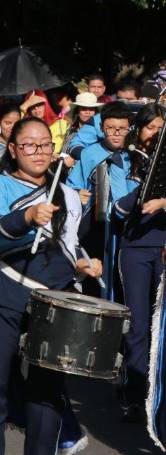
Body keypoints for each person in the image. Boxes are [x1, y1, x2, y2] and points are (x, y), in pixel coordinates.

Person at [0, 117, 102, 455]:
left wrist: (86, 264)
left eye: (44, 146)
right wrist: (26, 218)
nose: (38, 152)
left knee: (47, 392)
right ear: (13, 149)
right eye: (29, 145)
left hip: (50, 302)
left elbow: (70, 246)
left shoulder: (68, 196)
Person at [109, 103, 166, 423]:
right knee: (139, 324)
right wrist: (144, 183)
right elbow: (117, 209)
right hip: (134, 250)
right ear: (139, 130)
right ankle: (135, 391)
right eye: (150, 127)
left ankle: (158, 395)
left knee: (162, 325)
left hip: (163, 248)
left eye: (161, 128)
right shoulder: (124, 161)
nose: (155, 133)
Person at [50, 92, 101, 162]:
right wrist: (57, 156)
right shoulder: (71, 130)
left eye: (91, 109)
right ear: (77, 111)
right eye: (84, 109)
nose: (87, 112)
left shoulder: (99, 134)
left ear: (95, 112)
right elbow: (64, 152)